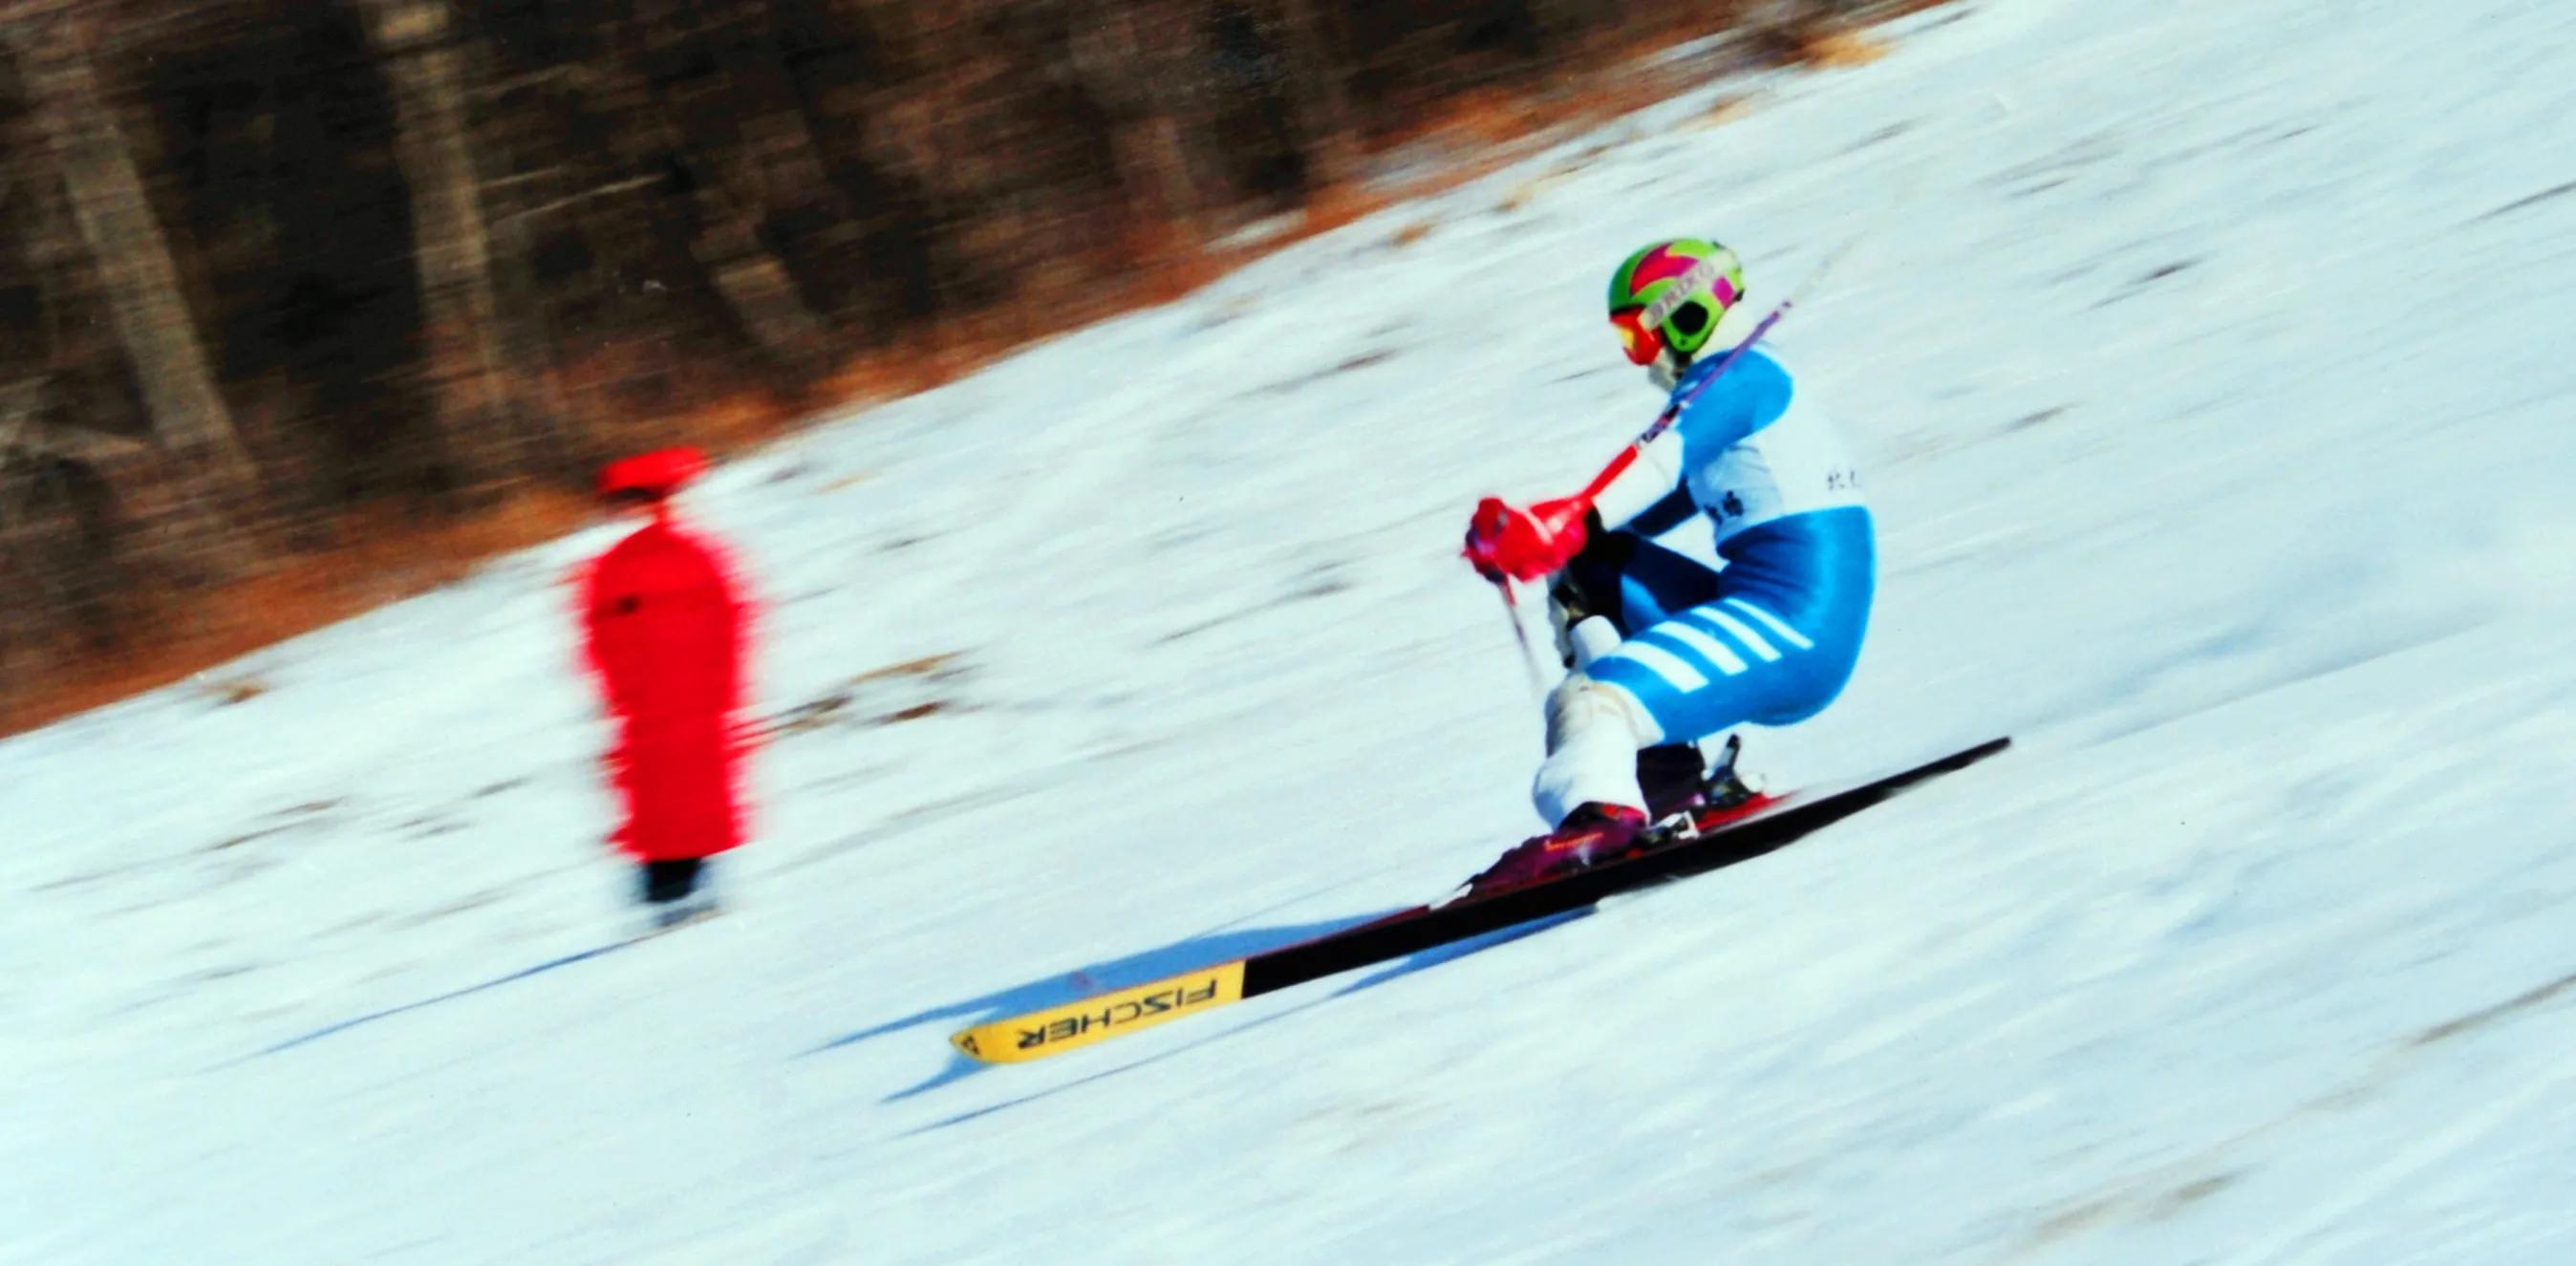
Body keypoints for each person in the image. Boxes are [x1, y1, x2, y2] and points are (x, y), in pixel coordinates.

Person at [1461, 239, 1874, 888]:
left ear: (1684, 315)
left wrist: (1558, 524)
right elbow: (1613, 520)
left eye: (1637, 335)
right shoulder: (1739, 389)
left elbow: (1655, 462)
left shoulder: (1741, 380)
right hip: (1780, 619)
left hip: (1795, 630)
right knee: (1586, 567)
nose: (1640, 358)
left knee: (1592, 701)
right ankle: (1668, 793)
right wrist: (1525, 535)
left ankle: (1596, 822)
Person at [576, 447, 753, 927]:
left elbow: (598, 639)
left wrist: (622, 690)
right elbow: (734, 619)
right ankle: (683, 887)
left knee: (672, 796)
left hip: (668, 702)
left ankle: (673, 890)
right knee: (686, 794)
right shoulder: (696, 554)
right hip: (681, 700)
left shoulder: (618, 567)